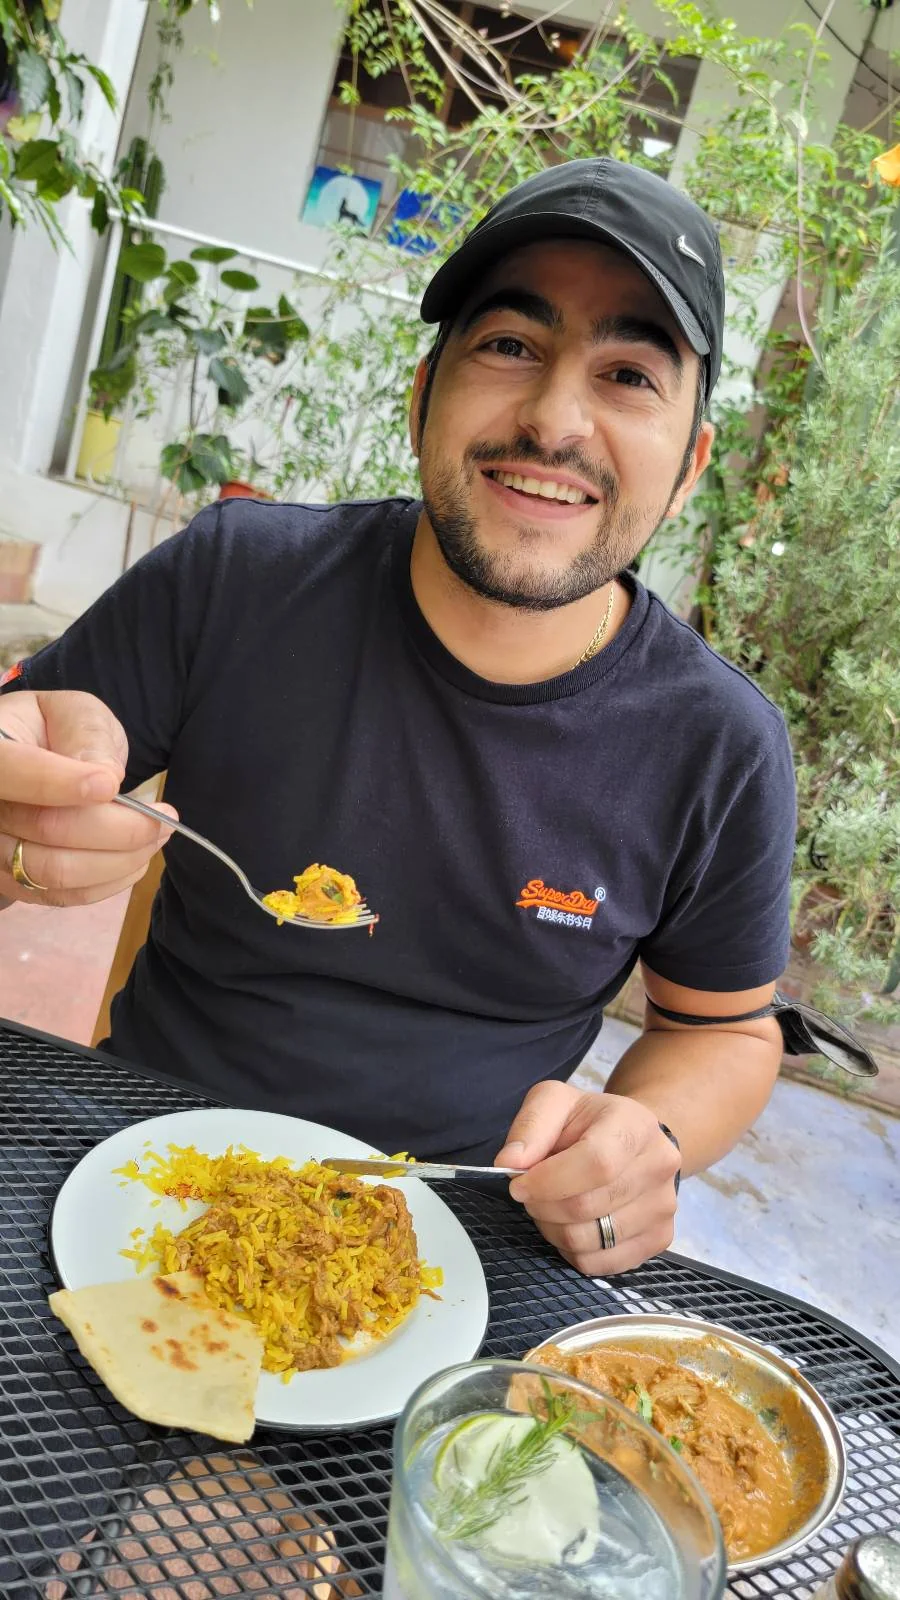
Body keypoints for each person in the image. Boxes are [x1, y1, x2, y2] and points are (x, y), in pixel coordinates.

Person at [0, 157, 797, 1279]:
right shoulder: (238, 582)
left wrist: (647, 1137)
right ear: (425, 392)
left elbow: (722, 1027)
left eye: (628, 374)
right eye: (511, 346)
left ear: (689, 467)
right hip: (138, 1170)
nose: (556, 420)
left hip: (460, 1236)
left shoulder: (717, 745)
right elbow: (24, 753)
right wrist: (18, 828)